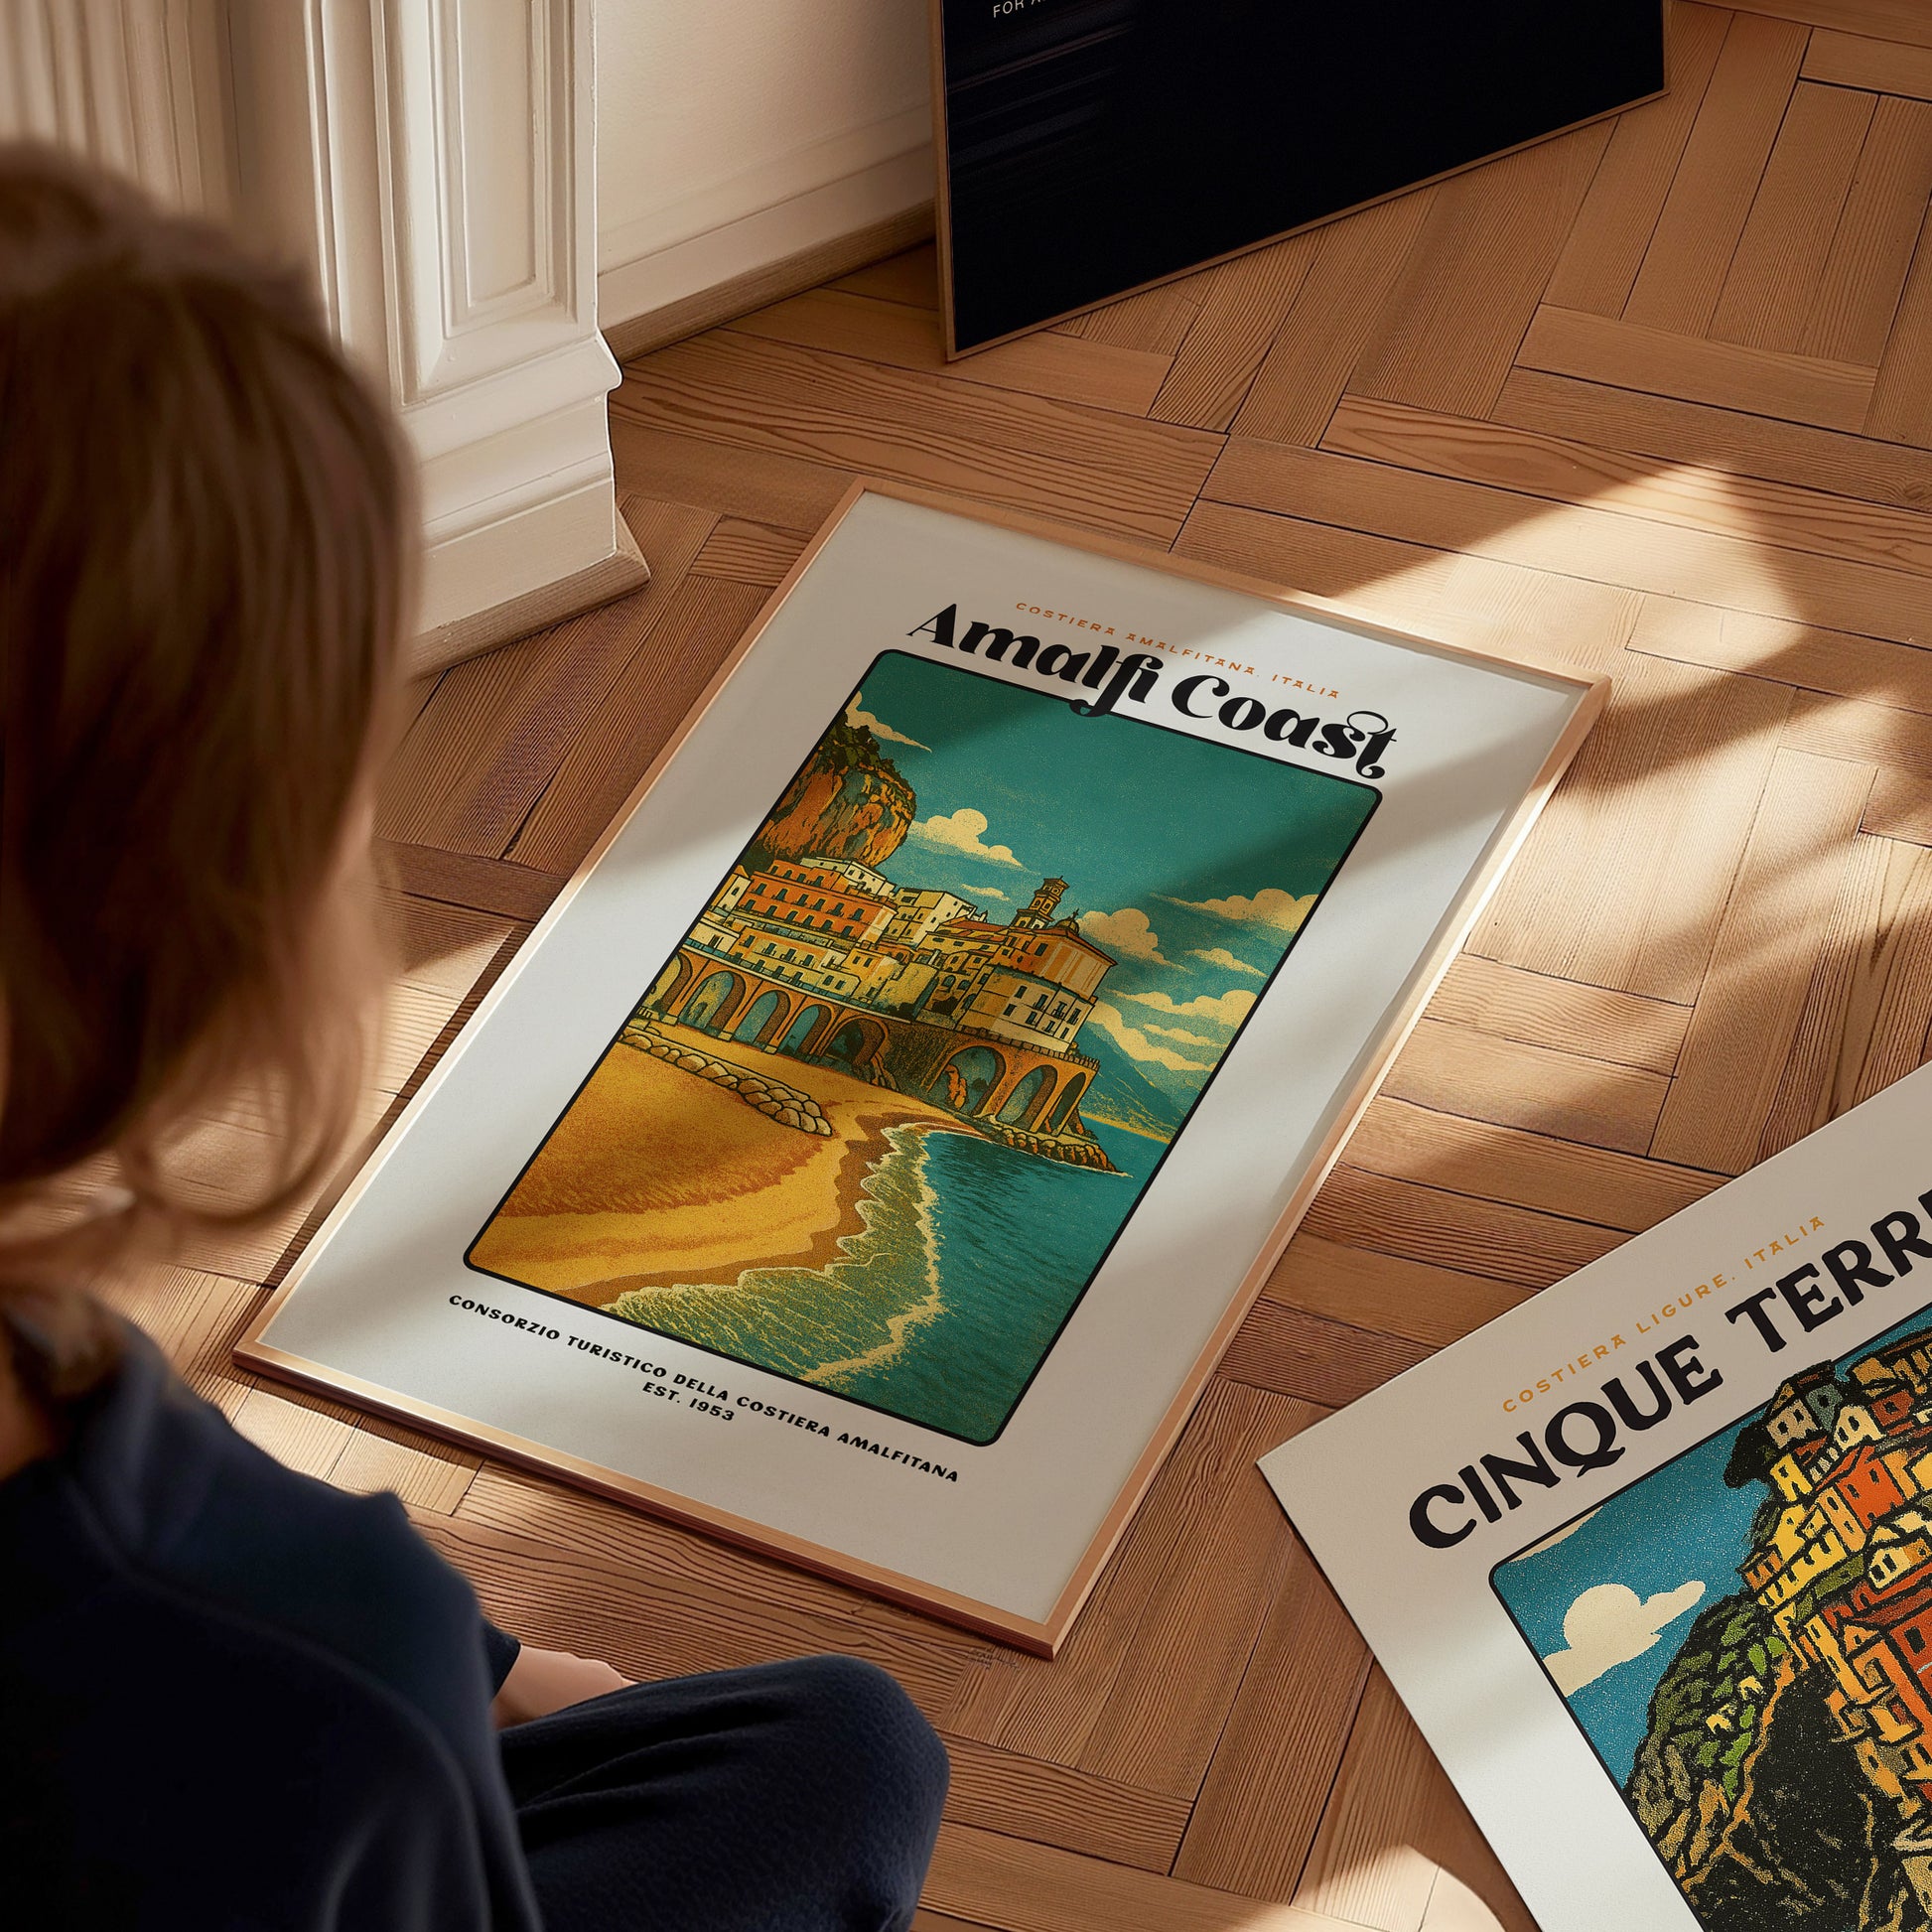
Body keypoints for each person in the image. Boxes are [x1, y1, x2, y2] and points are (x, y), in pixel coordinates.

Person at [0, 145, 949, 1930]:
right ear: (211, 916)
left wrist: (474, 1656)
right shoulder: (312, 1677)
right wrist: (425, 1667)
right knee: (847, 1754)